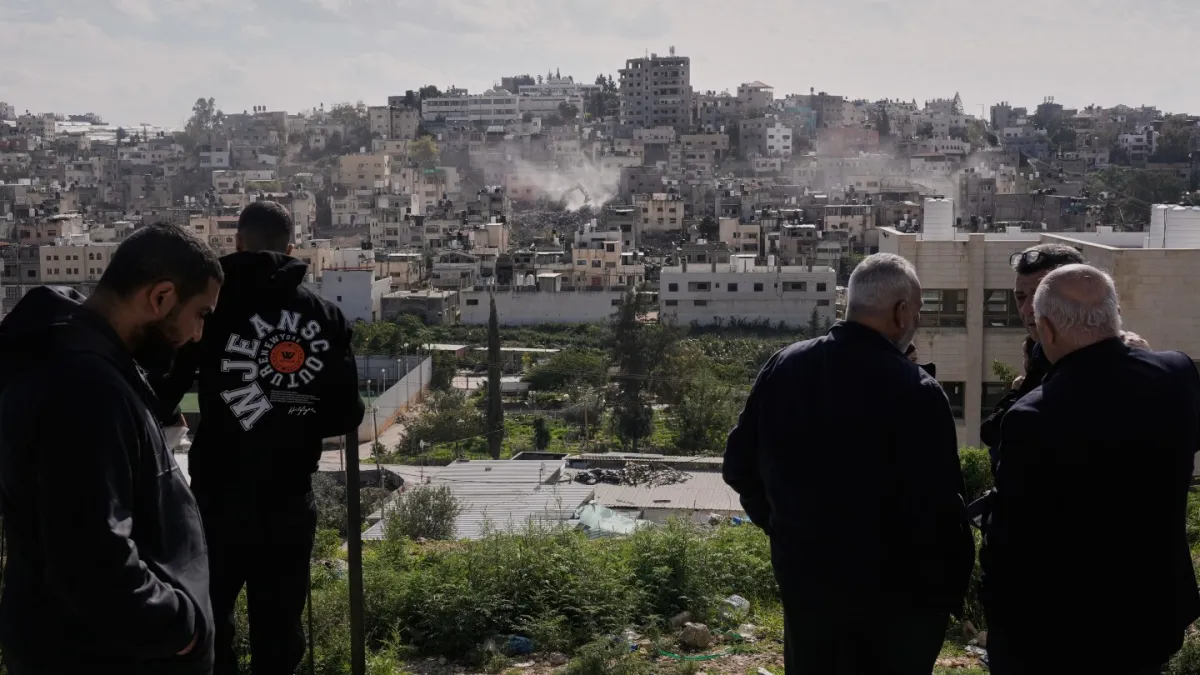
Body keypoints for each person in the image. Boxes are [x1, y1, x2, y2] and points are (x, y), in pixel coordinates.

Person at [723, 253, 974, 674]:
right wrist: (948, 595)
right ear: (900, 312)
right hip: (896, 606)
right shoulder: (917, 392)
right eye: (917, 311)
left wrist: (786, 528)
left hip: (808, 588)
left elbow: (738, 467)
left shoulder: (785, 365)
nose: (917, 320)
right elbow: (939, 511)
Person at [0, 224, 222, 674]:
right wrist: (182, 628)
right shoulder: (84, 387)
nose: (199, 334)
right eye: (200, 313)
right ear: (161, 297)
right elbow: (92, 559)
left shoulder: (81, 362)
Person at [155, 201, 365, 675]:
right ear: (292, 249)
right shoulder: (325, 316)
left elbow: (165, 387)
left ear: (236, 243)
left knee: (209, 622)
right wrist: (294, 414)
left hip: (217, 495)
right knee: (280, 631)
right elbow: (348, 413)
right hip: (288, 499)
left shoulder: (207, 309)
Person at [981, 264, 1200, 674]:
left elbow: (1012, 538)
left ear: (1045, 330)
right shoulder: (1177, 373)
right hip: (1153, 613)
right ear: (1115, 316)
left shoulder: (1034, 414)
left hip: (1062, 629)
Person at [980, 244, 1084, 472]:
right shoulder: (1037, 350)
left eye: (1039, 295)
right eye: (1020, 296)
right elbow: (995, 433)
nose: (1027, 309)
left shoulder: (1102, 365)